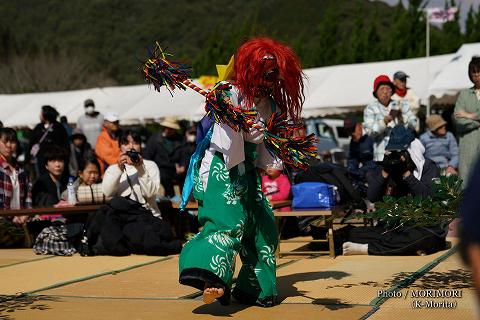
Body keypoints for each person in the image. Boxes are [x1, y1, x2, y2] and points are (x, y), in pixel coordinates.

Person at [179, 37, 305, 307]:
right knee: (228, 221)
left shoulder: (270, 105)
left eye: (275, 75)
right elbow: (222, 120)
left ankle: (254, 288)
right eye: (266, 74)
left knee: (263, 226)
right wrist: (240, 121)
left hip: (248, 170)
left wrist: (274, 151)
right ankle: (212, 278)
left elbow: (270, 144)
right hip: (221, 167)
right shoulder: (229, 91)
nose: (271, 81)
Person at [334, 126, 444, 256]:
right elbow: (372, 196)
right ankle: (398, 247)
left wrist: (407, 174)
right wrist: (385, 171)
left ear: (412, 152)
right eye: (393, 153)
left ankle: (366, 249)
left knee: (428, 238)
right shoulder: (389, 169)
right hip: (393, 226)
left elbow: (429, 199)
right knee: (352, 233)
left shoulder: (428, 168)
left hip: (420, 226)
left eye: (400, 153)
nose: (396, 157)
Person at [102, 130, 162, 217]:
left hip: (149, 216)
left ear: (140, 146)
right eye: (126, 143)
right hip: (123, 217)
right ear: (119, 147)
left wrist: (140, 168)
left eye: (135, 143)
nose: (131, 146)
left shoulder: (150, 165)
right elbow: (107, 193)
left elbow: (149, 194)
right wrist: (119, 169)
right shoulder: (113, 169)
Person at [363, 75, 416, 162]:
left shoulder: (401, 104)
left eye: (388, 88)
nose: (385, 92)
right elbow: (370, 132)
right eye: (382, 89)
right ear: (376, 92)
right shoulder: (370, 108)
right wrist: (384, 122)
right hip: (381, 157)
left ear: (392, 91)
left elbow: (414, 124)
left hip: (402, 155)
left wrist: (402, 118)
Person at [0, 128, 32, 247]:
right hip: (4, 219)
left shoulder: (21, 169)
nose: (9, 146)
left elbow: (28, 196)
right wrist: (11, 216)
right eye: (5, 142)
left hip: (21, 219)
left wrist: (25, 214)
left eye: (13, 142)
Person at [454, 57, 480, 186]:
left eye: (479, 71)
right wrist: (477, 122)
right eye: (474, 72)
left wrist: (469, 115)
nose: (477, 75)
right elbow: (458, 119)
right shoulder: (464, 94)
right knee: (466, 183)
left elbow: (464, 116)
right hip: (468, 146)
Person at [143, 117, 181, 197]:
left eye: (171, 128)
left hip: (175, 170)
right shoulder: (154, 139)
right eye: (167, 127)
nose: (168, 130)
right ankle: (171, 196)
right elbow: (147, 156)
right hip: (160, 169)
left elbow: (184, 153)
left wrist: (182, 165)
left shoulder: (179, 139)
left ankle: (187, 199)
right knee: (164, 176)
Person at [29, 105, 69, 178]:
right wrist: (28, 158)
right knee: (43, 178)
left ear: (46, 114)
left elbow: (65, 144)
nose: (40, 115)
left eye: (41, 113)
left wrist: (64, 156)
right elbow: (31, 142)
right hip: (42, 160)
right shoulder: (38, 127)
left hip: (56, 159)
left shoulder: (58, 127)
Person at [173, 125, 197, 191]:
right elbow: (175, 158)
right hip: (181, 174)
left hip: (193, 173)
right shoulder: (180, 144)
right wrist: (177, 167)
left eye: (194, 133)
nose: (193, 135)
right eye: (191, 133)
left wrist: (185, 166)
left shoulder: (197, 145)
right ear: (186, 133)